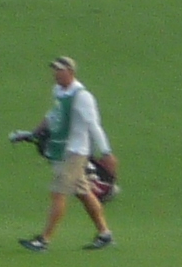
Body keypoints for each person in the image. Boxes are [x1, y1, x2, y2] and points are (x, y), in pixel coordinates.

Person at [10, 56, 116, 250]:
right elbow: (53, 115)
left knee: (58, 193)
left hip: (75, 153)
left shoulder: (82, 97)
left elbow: (94, 126)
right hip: (63, 150)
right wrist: (33, 133)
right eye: (55, 70)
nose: (56, 74)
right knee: (84, 193)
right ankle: (105, 234)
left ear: (70, 72)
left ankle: (44, 240)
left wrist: (106, 152)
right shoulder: (59, 91)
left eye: (60, 70)